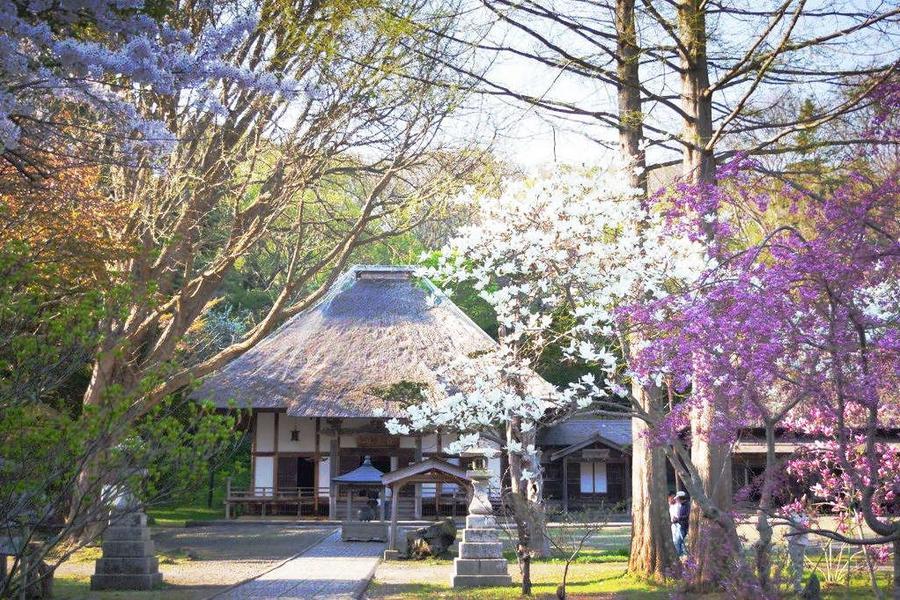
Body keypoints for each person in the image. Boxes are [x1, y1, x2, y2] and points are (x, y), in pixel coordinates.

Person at [787, 500, 811, 594]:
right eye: (801, 502)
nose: (802, 504)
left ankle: (797, 586)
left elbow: (806, 527)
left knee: (800, 565)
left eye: (804, 502)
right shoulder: (792, 515)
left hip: (802, 543)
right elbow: (798, 528)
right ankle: (796, 587)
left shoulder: (805, 515)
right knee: (795, 565)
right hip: (794, 542)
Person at [668, 492, 685, 556]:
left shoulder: (678, 505)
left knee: (679, 540)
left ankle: (679, 554)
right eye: (672, 498)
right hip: (672, 525)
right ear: (669, 498)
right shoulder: (669, 506)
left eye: (674, 498)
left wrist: (677, 519)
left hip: (678, 524)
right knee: (674, 540)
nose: (673, 499)